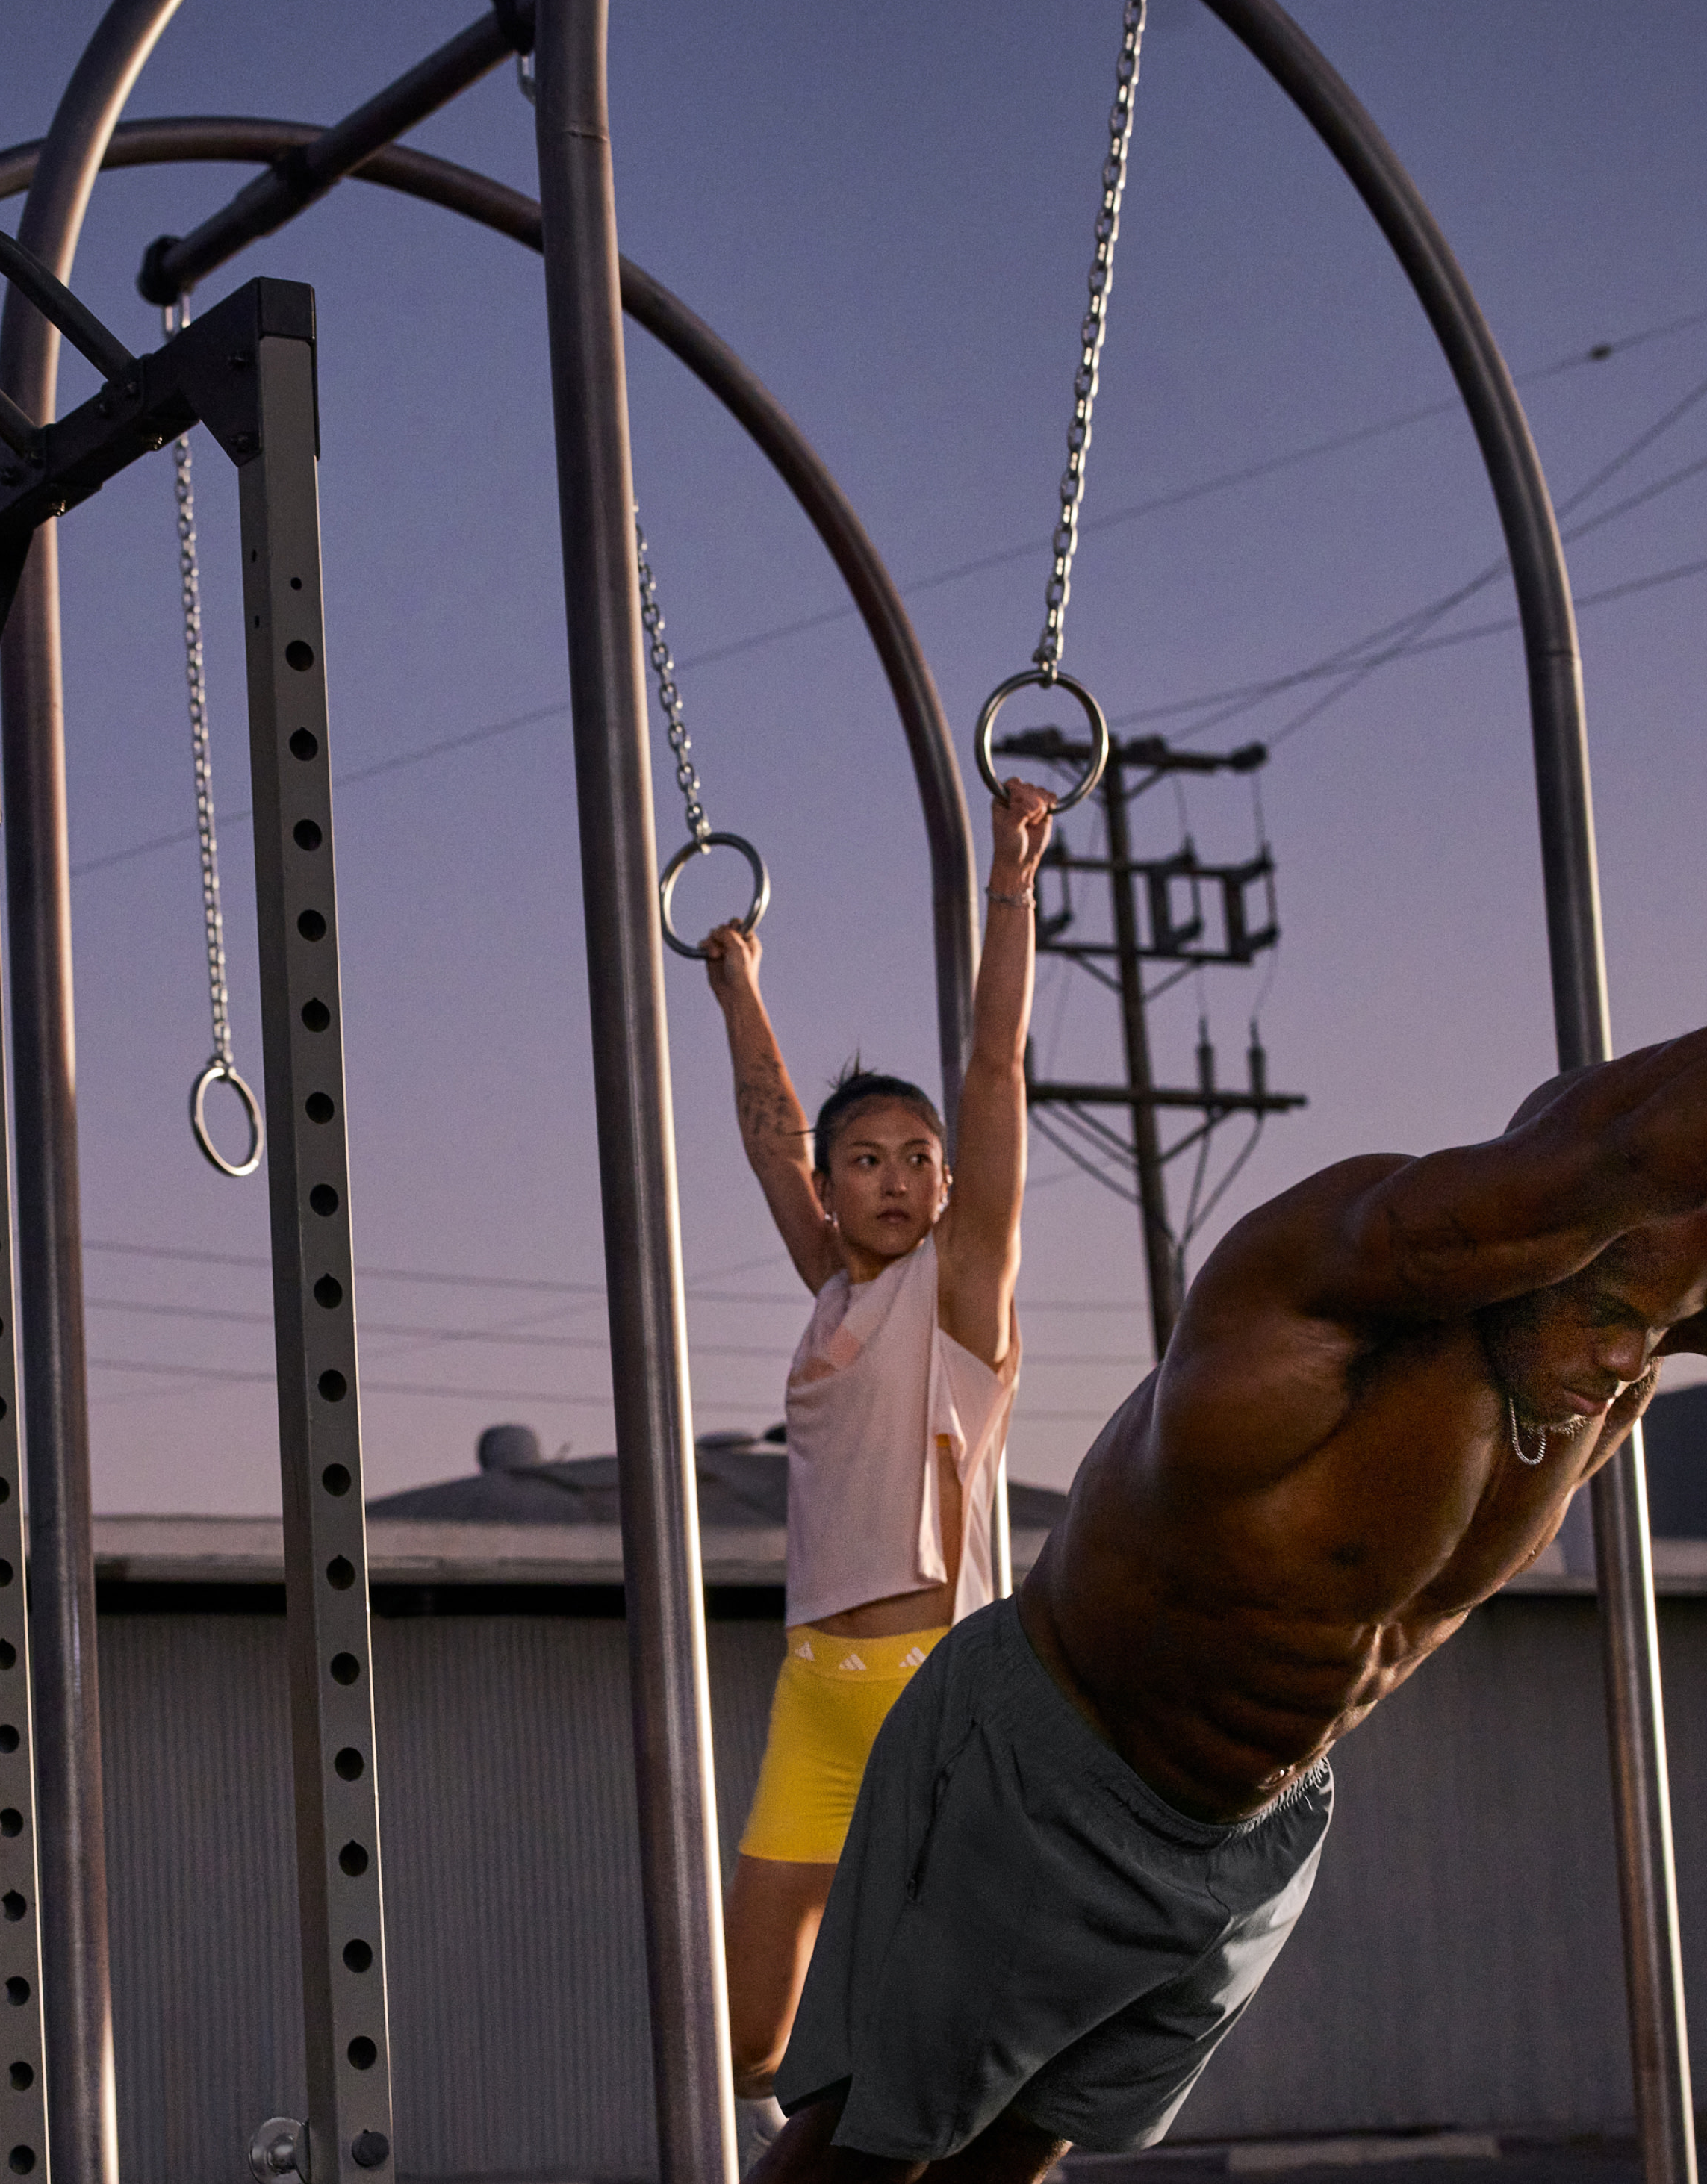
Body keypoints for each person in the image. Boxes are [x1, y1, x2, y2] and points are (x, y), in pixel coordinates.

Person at [759, 1031, 1707, 2177]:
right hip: (1055, 1763)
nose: (1623, 1359)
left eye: (1652, 1337)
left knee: (1007, 2162)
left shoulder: (1592, 1370)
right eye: (1610, 1309)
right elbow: (1616, 1148)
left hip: (1251, 1837)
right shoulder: (1324, 1282)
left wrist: (1645, 1314)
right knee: (864, 2155)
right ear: (1535, 1242)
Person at [700, 776, 1057, 2147]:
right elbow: (758, 1121)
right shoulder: (830, 1291)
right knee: (751, 2043)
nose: (902, 1177)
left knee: (962, 2042)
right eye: (867, 1159)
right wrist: (736, 979)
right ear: (830, 1184)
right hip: (817, 1694)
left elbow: (996, 1076)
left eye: (920, 1158)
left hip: (936, 1689)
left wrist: (1010, 888)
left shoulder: (960, 1298)